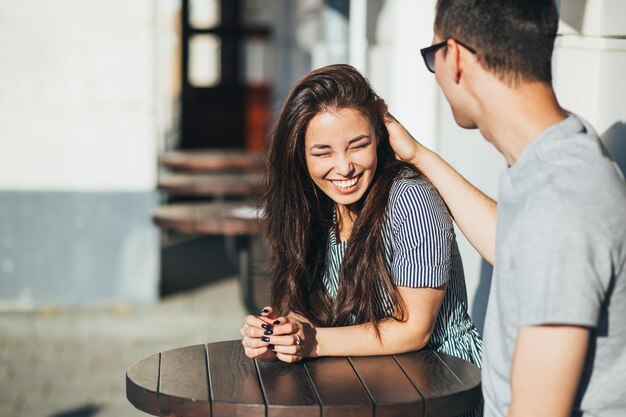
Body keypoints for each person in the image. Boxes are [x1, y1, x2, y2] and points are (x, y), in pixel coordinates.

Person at [386, 1, 626, 416]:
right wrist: (418, 156)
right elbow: (515, 246)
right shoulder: (556, 156)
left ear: (456, 57)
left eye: (433, 57)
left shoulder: (560, 201)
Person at [239, 65, 483, 376]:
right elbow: (317, 309)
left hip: (441, 384)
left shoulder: (410, 198)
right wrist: (282, 332)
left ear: (379, 138)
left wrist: (312, 341)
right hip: (367, 383)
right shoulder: (316, 205)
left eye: (358, 146)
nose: (344, 168)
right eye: (323, 153)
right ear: (299, 155)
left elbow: (414, 329)